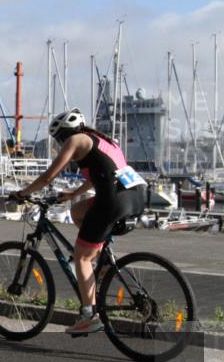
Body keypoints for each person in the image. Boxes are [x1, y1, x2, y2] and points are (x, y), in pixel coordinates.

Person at [11, 109, 146, 336]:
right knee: (77, 212)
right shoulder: (103, 140)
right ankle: (102, 260)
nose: (59, 143)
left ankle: (88, 315)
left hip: (114, 200)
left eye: (58, 139)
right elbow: (101, 175)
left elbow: (48, 177)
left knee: (81, 257)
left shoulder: (75, 140)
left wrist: (23, 193)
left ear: (63, 134)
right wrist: (73, 194)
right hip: (136, 194)